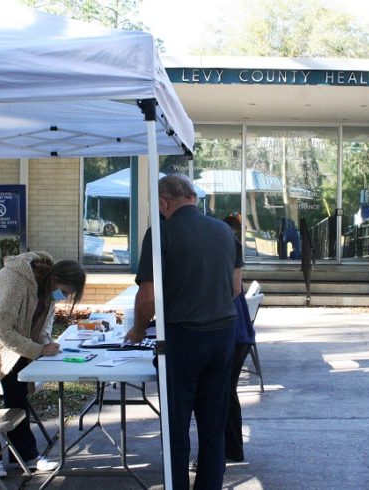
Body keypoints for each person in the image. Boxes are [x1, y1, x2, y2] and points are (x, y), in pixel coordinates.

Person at [125, 174, 242, 490]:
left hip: (181, 339)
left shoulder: (160, 233)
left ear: (164, 203)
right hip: (222, 336)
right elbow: (235, 288)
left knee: (176, 427)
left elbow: (147, 296)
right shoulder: (225, 231)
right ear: (192, 197)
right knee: (213, 426)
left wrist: (137, 330)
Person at [0, 251, 86, 479]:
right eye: (63, 292)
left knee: (17, 395)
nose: (62, 297)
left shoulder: (44, 290)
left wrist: (45, 346)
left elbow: (38, 327)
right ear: (54, 280)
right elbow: (1, 329)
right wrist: (38, 350)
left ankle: (25, 456)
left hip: (8, 339)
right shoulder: (15, 281)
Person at [225, 292, 255, 463]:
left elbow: (234, 289)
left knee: (220, 396)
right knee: (227, 394)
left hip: (231, 335)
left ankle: (229, 450)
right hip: (240, 334)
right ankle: (233, 449)